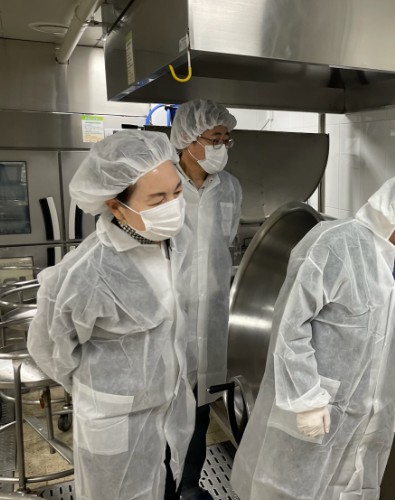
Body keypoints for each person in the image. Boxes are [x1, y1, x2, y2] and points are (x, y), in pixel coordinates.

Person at [230, 167, 395, 499]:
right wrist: (306, 399)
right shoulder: (333, 244)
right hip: (318, 409)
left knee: (353, 488)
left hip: (369, 417)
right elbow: (290, 325)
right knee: (293, 491)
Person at [27, 130, 196, 499]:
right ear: (117, 207)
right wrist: (106, 390)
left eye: (177, 192)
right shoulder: (85, 272)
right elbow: (51, 348)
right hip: (115, 418)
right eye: (157, 199)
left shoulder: (176, 242)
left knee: (167, 485)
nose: (173, 207)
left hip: (169, 410)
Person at [166, 99, 242, 500]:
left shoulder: (229, 187)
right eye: (214, 138)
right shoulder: (161, 184)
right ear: (187, 139)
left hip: (209, 314)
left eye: (226, 139)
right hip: (168, 316)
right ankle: (161, 488)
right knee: (165, 408)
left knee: (198, 405)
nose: (221, 147)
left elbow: (223, 246)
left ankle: (189, 486)